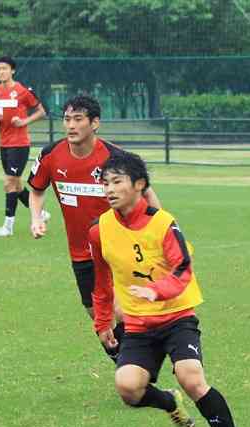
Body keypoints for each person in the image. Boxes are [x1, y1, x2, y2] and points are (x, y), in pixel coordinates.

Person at [89, 151, 250, 427]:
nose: (108, 189)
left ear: (139, 185)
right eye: (104, 183)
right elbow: (101, 279)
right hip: (137, 324)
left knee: (191, 377)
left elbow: (183, 270)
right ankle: (169, 402)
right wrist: (103, 320)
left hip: (177, 317)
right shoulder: (99, 230)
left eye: (117, 182)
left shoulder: (163, 223)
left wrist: (155, 290)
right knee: (128, 388)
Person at [27, 95, 161, 361]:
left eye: (78, 119)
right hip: (81, 253)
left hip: (118, 247)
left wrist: (163, 228)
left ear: (95, 123)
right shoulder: (51, 155)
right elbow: (36, 190)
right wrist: (36, 218)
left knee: (121, 311)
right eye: (67, 119)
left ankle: (136, 368)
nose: (71, 126)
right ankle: (127, 363)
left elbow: (147, 196)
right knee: (98, 316)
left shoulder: (116, 158)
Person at [0, 56, 50, 237]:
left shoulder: (23, 91)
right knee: (16, 184)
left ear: (12, 71)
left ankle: (8, 226)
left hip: (20, 144)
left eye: (4, 69)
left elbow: (41, 112)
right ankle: (41, 213)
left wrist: (24, 121)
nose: (1, 72)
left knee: (8, 183)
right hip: (4, 144)